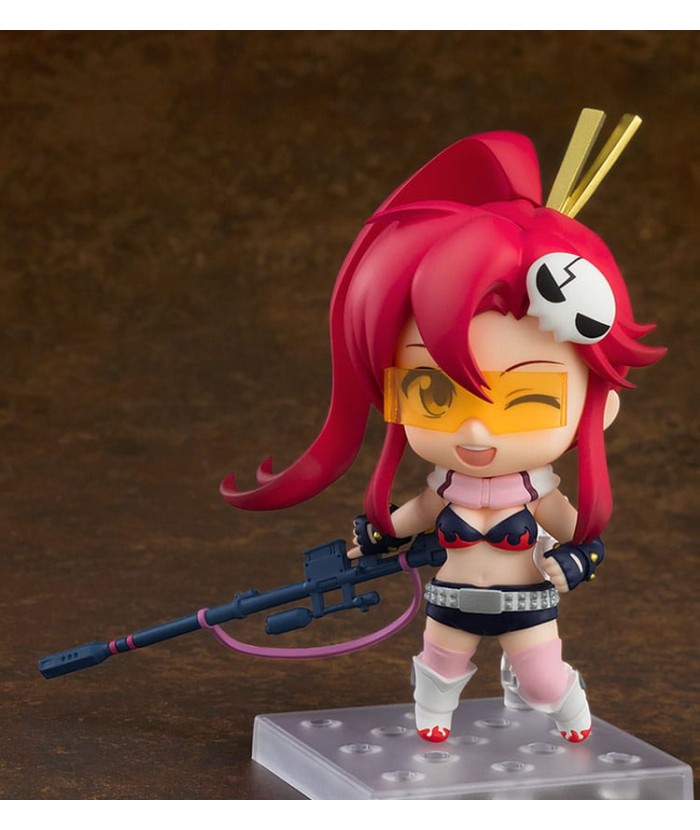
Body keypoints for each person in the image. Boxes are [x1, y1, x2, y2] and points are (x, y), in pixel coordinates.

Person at [221, 119, 664, 743]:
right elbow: (412, 516)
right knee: (437, 670)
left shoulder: (536, 492)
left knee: (543, 682)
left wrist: (578, 560)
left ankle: (569, 710)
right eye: (432, 394)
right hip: (451, 601)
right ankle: (434, 720)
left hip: (526, 606)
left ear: (601, 408)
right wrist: (376, 535)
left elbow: (582, 535)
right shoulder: (445, 487)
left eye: (528, 399)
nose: (476, 426)